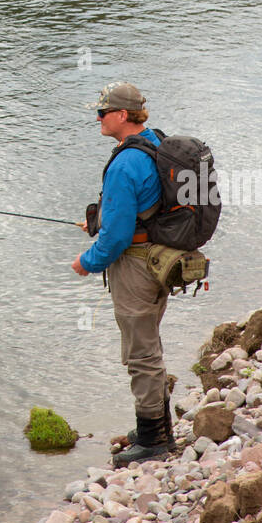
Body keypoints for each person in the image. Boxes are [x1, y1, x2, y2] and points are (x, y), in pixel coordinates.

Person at [71, 81, 176, 465]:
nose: (97, 118)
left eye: (102, 112)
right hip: (162, 260)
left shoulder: (125, 162)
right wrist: (100, 221)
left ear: (121, 116)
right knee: (149, 342)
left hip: (135, 267)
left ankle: (153, 441)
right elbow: (144, 207)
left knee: (140, 353)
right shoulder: (156, 142)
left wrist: (88, 262)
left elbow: (115, 239)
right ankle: (158, 425)